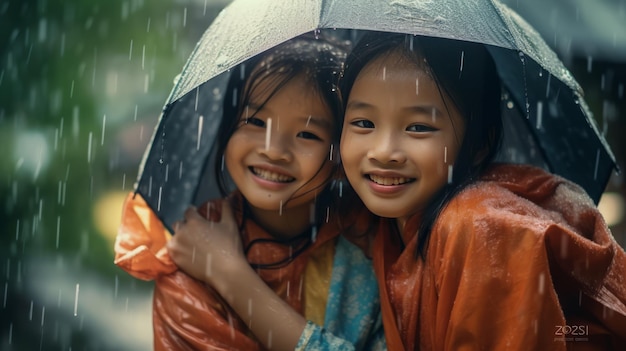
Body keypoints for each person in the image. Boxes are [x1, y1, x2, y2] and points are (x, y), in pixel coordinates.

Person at [338, 31, 626, 350]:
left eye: (418, 127)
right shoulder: (384, 223)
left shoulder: (481, 229)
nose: (383, 151)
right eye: (364, 123)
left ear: (478, 144)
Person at [115, 32, 385, 351]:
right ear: (226, 130)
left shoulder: (373, 238)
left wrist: (230, 274)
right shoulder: (190, 259)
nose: (273, 150)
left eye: (307, 134)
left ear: (341, 154)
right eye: (256, 121)